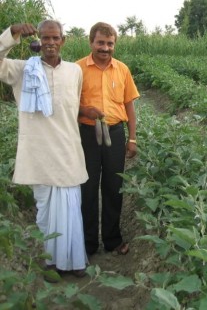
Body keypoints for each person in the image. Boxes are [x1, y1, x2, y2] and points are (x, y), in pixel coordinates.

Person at [0, 21, 89, 280]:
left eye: (55, 38)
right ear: (39, 39)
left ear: (63, 40)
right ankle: (50, 261)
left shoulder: (74, 71)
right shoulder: (23, 69)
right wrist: (12, 33)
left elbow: (71, 109)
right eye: (45, 38)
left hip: (67, 150)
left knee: (71, 207)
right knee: (46, 211)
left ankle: (73, 261)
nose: (50, 42)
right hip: (38, 152)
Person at [77, 22, 139, 256]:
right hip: (88, 134)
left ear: (114, 44)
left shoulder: (122, 69)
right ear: (91, 42)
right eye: (100, 42)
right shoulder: (78, 69)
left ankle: (112, 239)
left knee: (114, 187)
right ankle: (88, 243)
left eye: (109, 43)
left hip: (114, 132)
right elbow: (68, 104)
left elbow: (129, 106)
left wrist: (132, 139)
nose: (105, 48)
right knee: (88, 188)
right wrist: (86, 111)